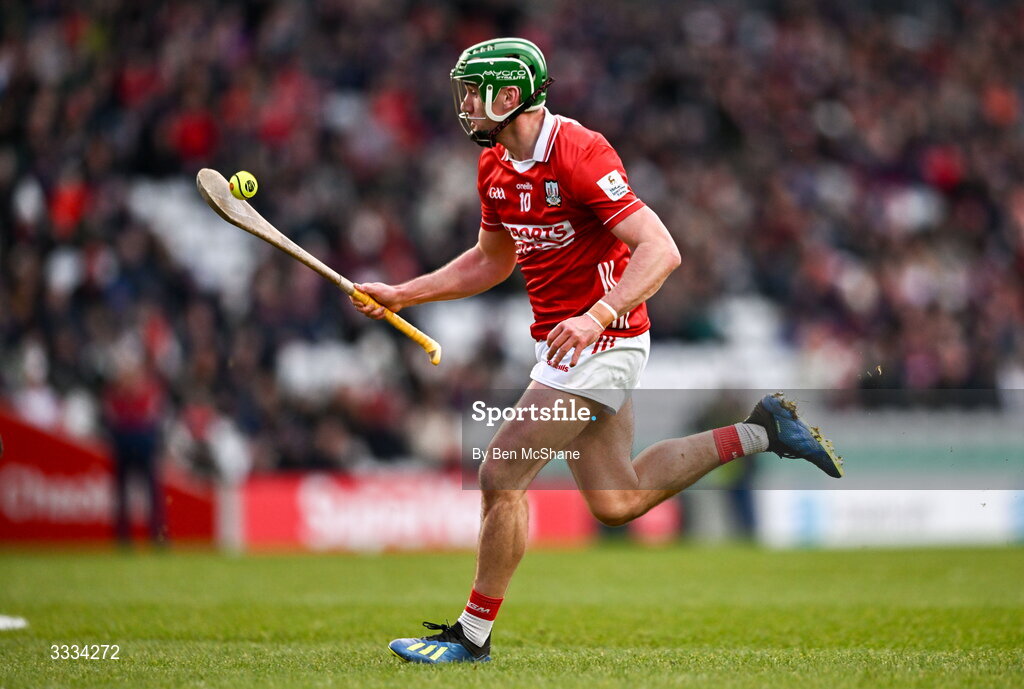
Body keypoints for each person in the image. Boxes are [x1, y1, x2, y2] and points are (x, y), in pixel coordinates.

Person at [351, 37, 843, 664]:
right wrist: (403, 295)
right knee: (618, 500)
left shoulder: (581, 152)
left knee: (501, 472)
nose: (466, 105)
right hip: (566, 344)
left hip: (604, 340)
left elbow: (661, 249)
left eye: (474, 92)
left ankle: (471, 638)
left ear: (511, 95)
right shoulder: (494, 166)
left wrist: (596, 316)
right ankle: (761, 431)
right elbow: (490, 261)